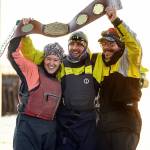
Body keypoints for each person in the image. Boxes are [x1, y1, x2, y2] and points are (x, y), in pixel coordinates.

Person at [19, 22, 102, 150]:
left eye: (80, 44)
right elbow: (33, 54)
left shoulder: (95, 62)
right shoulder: (60, 62)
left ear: (86, 46)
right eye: (72, 44)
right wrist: (24, 32)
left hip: (88, 122)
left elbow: (116, 56)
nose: (75, 47)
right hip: (66, 122)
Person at [7, 20, 64, 150]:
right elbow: (13, 54)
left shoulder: (61, 77)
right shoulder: (32, 70)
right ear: (43, 59)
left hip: (50, 129)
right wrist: (21, 31)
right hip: (28, 126)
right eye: (48, 58)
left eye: (55, 60)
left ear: (60, 62)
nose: (51, 63)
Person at [96, 7, 142, 150]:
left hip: (125, 126)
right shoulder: (100, 63)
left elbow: (134, 45)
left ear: (120, 45)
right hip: (103, 127)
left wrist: (116, 21)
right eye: (104, 44)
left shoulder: (129, 61)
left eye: (111, 44)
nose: (106, 48)